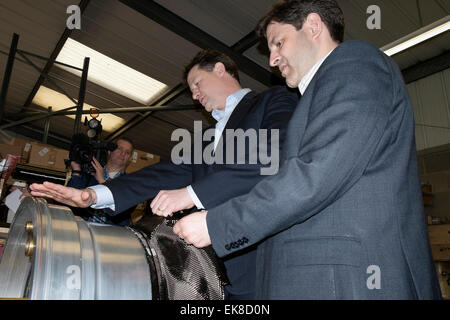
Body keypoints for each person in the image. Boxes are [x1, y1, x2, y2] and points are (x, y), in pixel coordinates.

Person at [171, 0, 442, 299]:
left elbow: (319, 170)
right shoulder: (312, 98)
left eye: (278, 43)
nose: (272, 59)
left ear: (313, 26)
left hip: (350, 278)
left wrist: (219, 224)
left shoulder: (355, 61)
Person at [30, 49, 298, 300]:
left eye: (197, 83)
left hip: (260, 268)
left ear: (219, 69)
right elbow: (160, 174)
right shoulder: (205, 138)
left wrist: (192, 194)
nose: (194, 96)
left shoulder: (272, 100)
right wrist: (92, 195)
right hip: (207, 275)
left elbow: (273, 158)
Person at [67, 137, 134, 226]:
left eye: (127, 152)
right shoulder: (89, 173)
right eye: (119, 149)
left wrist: (102, 181)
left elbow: (124, 209)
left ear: (129, 159)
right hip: (83, 229)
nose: (123, 154)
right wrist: (76, 170)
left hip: (112, 235)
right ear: (109, 151)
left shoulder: (131, 182)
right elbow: (70, 198)